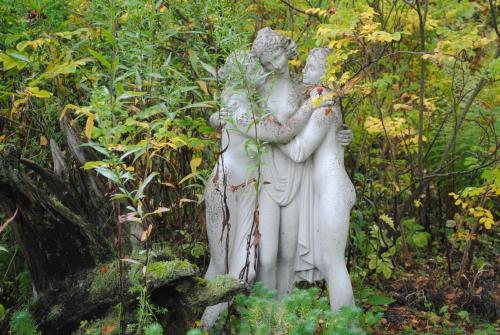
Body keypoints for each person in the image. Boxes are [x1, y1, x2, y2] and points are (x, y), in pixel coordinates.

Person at [279, 48, 356, 310]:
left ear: (325, 73)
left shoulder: (325, 108)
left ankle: (347, 326)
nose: (305, 69)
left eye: (312, 66)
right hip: (325, 190)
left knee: (334, 264)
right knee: (328, 262)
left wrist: (271, 133)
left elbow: (299, 151)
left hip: (334, 190)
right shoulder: (318, 101)